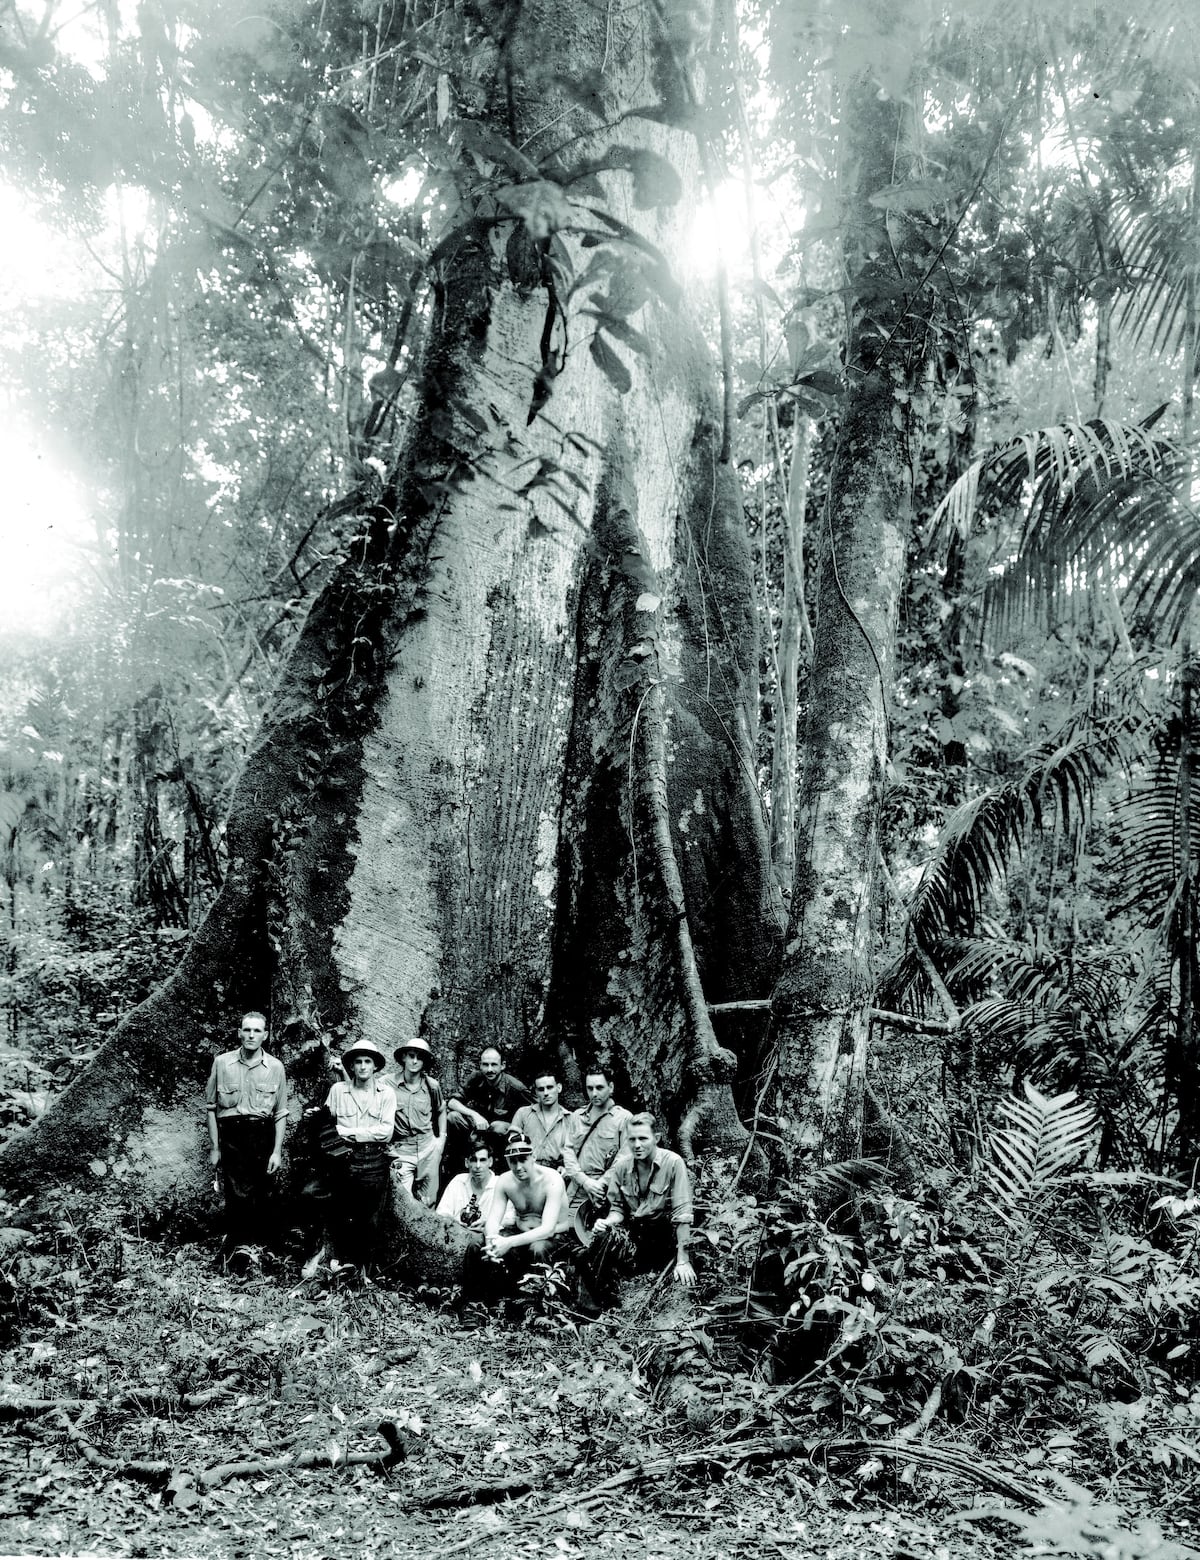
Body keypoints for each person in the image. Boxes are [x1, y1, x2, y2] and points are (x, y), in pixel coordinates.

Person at [576, 1112, 696, 1309]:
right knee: (594, 1247)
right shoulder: (622, 1167)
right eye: (632, 1139)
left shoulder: (673, 1162)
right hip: (637, 1234)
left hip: (664, 1235)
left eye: (643, 1138)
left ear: (656, 1138)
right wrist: (607, 1222)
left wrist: (683, 1259)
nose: (637, 1145)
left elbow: (682, 1213)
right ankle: (597, 1307)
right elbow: (618, 1210)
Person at [205, 1010, 288, 1265]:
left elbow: (281, 1112)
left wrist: (276, 1151)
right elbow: (211, 1108)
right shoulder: (222, 1063)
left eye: (257, 1031)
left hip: (261, 1134)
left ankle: (261, 1255)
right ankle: (235, 1256)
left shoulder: (275, 1067)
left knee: (262, 1194)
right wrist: (215, 1147)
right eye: (247, 1030)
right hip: (232, 1135)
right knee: (235, 1195)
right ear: (239, 1033)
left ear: (265, 1035)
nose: (251, 1035)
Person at [465, 1131, 567, 1300]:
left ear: (533, 1157)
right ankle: (476, 1305)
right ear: (507, 1161)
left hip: (554, 1236)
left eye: (523, 1160)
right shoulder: (505, 1181)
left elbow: (548, 1229)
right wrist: (492, 1241)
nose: (518, 1167)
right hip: (519, 1232)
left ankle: (538, 1306)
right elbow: (493, 1220)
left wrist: (508, 1243)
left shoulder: (552, 1180)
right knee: (477, 1245)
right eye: (513, 1161)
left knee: (538, 1248)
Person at [324, 1039, 397, 1270]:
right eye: (358, 1062)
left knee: (372, 1218)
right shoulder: (338, 1090)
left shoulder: (386, 1094)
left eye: (368, 1061)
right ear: (351, 1067)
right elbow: (328, 1127)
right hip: (345, 1158)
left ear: (375, 1066)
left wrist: (348, 1132)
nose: (363, 1066)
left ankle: (364, 1271)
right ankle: (342, 1267)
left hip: (375, 1159)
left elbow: (385, 1132)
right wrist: (359, 1134)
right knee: (344, 1212)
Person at [560, 1066, 631, 1219]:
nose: (594, 1093)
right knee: (565, 1233)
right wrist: (585, 1181)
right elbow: (569, 1151)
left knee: (603, 1235)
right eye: (590, 1088)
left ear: (610, 1087)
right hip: (578, 1187)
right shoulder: (577, 1117)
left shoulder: (623, 1118)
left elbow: (624, 1158)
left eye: (599, 1088)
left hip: (607, 1191)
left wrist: (600, 1184)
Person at [446, 1047, 532, 1162]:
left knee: (497, 1126)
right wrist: (474, 1115)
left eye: (494, 1065)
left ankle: (500, 1163)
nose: (489, 1069)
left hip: (504, 1135)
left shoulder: (515, 1087)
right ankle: (461, 1160)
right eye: (485, 1065)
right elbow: (452, 1102)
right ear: (480, 1065)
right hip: (478, 1130)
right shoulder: (476, 1078)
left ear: (503, 1065)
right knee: (453, 1117)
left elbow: (536, 1111)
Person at [392, 1038, 446, 1206]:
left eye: (419, 1057)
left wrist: (441, 1139)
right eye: (411, 1056)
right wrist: (343, 1072)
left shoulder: (432, 1086)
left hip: (428, 1148)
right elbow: (363, 1088)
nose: (415, 1061)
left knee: (428, 1201)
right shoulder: (387, 1083)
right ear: (403, 1058)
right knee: (402, 1200)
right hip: (402, 1149)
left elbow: (441, 1110)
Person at [436, 1140, 510, 1232]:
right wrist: (452, 1221)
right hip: (456, 1235)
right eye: (474, 1160)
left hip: (487, 1237)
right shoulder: (458, 1181)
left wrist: (489, 1224)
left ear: (490, 1162)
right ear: (467, 1163)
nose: (478, 1166)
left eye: (482, 1160)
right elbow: (441, 1213)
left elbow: (510, 1219)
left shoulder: (500, 1183)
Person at [511, 1070, 570, 1172]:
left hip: (556, 1171)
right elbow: (512, 1145)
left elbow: (575, 1152)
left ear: (559, 1088)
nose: (546, 1093)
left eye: (550, 1087)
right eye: (541, 1089)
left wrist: (565, 1166)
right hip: (528, 1169)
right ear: (536, 1092)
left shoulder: (570, 1119)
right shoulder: (523, 1114)